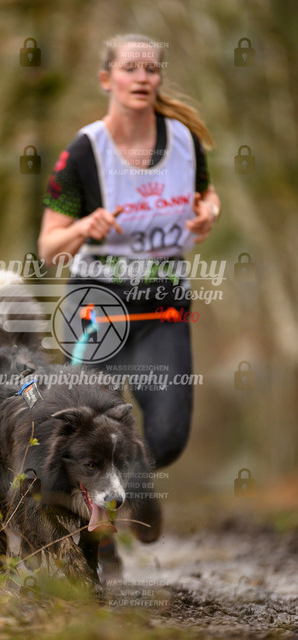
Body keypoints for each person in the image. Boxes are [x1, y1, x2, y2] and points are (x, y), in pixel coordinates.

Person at [38, 33, 220, 578]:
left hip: (163, 307)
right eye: (130, 68)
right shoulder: (83, 152)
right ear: (107, 79)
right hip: (98, 310)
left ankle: (135, 484)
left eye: (151, 68)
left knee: (167, 438)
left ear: (159, 78)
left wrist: (209, 210)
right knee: (89, 432)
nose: (142, 77)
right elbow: (48, 245)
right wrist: (83, 228)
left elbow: (205, 193)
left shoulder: (184, 142)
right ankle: (99, 539)